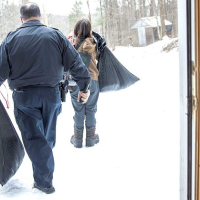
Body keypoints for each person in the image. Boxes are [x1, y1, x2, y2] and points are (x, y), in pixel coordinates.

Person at [0, 3, 91, 194]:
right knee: (46, 139)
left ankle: (44, 183)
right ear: (39, 16)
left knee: (35, 138)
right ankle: (42, 174)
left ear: (21, 18)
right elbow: (75, 62)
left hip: (25, 98)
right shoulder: (56, 36)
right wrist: (84, 86)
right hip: (52, 95)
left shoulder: (10, 39)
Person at [69, 19, 100, 148]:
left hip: (77, 81)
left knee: (78, 109)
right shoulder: (95, 44)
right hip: (92, 80)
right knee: (91, 109)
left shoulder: (72, 44)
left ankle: (77, 138)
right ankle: (91, 138)